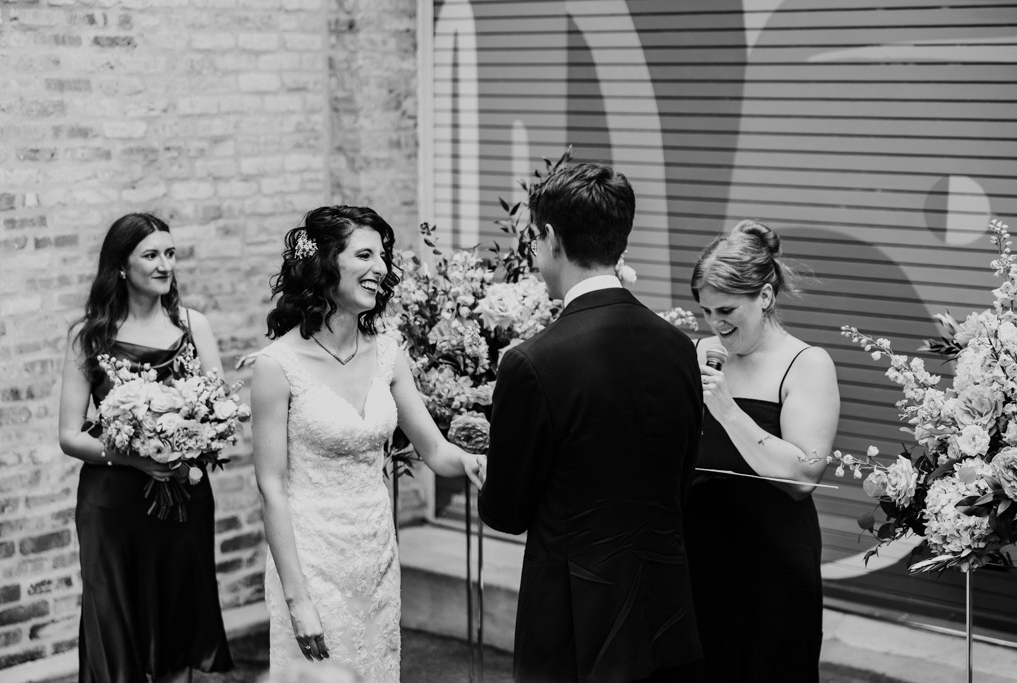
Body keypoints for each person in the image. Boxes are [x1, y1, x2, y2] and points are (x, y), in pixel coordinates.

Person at [478, 163, 705, 683]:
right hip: (665, 610)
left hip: (573, 620)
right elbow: (678, 478)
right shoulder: (678, 349)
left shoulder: (532, 363)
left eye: (534, 237)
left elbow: (507, 511)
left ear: (551, 238)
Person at [246, 205, 484, 682]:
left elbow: (436, 451)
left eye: (384, 256)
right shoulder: (277, 366)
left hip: (375, 556)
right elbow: (271, 487)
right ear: (325, 262)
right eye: (366, 255)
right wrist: (297, 599)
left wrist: (479, 460)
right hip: (312, 562)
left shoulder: (388, 352)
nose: (381, 268)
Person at [58, 213, 233, 683]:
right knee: (116, 620)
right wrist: (135, 456)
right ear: (120, 266)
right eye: (151, 255)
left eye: (170, 254)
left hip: (183, 496)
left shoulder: (194, 326)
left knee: (179, 616)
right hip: (113, 504)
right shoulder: (89, 335)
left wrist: (189, 443)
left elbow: (219, 410)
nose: (164, 265)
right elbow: (70, 435)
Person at [685, 219, 840, 682]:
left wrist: (728, 410)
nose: (716, 323)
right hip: (700, 554)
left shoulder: (807, 363)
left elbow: (803, 477)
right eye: (706, 311)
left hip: (772, 562)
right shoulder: (700, 351)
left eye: (727, 309)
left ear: (766, 297)